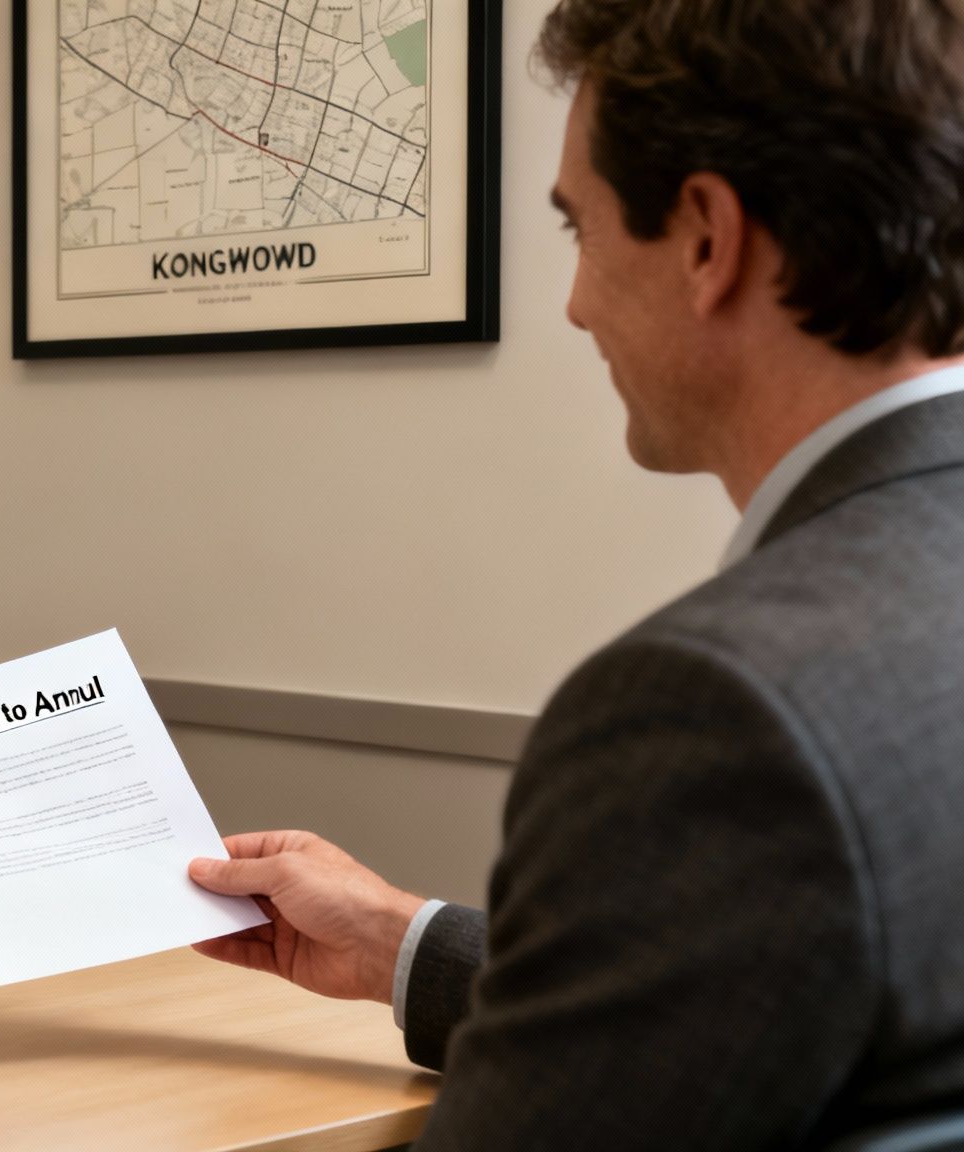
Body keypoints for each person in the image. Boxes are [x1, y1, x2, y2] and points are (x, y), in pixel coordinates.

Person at [188, 1, 964, 1146]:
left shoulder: (717, 708)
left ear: (706, 237)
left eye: (579, 233)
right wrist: (403, 944)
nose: (575, 303)